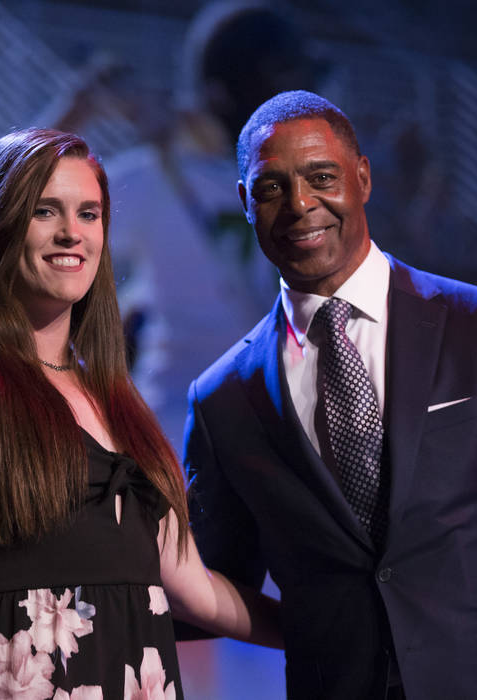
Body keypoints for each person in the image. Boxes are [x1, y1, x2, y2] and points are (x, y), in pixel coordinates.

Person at [183, 92, 477, 699]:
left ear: (362, 178)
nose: (301, 204)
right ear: (245, 202)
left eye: (322, 177)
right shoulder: (223, 397)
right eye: (272, 187)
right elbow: (203, 583)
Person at [0, 128, 280, 699]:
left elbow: (192, 588)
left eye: (89, 214)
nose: (73, 232)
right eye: (46, 211)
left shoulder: (113, 395)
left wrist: (323, 631)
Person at [99, 2, 325, 444]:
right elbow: (18, 214)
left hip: (267, 421)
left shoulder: (307, 182)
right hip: (176, 429)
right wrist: (77, 109)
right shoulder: (158, 174)